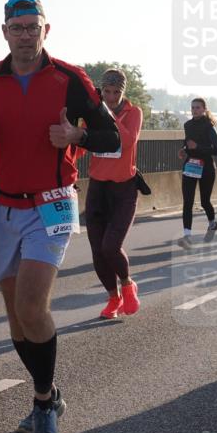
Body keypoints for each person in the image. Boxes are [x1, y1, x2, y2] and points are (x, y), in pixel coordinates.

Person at [0, 0, 119, 433]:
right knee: (16, 317)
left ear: (47, 30)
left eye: (32, 26)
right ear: (4, 31)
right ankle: (49, 392)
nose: (25, 35)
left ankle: (44, 404)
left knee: (31, 304)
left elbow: (111, 136)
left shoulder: (69, 79)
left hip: (51, 204)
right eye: (17, 27)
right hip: (1, 206)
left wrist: (77, 135)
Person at [84, 68, 143, 320]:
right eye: (106, 92)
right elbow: (84, 142)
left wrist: (108, 116)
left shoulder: (134, 113)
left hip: (123, 189)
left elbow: (127, 140)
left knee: (111, 246)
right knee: (97, 250)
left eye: (116, 92)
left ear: (123, 92)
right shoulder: (93, 113)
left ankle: (128, 284)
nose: (111, 97)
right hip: (97, 188)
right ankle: (113, 297)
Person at [177, 98, 217, 248]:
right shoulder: (187, 125)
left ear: (204, 109)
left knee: (204, 201)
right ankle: (187, 236)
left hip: (207, 167)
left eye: (197, 108)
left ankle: (212, 223)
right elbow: (187, 142)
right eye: (193, 108)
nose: (194, 110)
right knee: (187, 202)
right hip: (190, 166)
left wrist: (198, 146)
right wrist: (184, 150)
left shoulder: (209, 126)